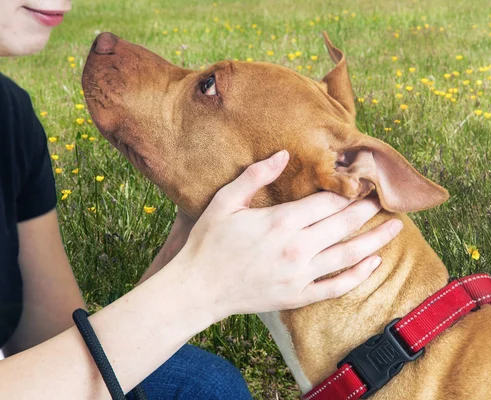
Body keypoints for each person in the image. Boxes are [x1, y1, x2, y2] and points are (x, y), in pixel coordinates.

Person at [0, 1, 404, 398]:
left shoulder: (13, 120)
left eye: (207, 85)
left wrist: (184, 250)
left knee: (209, 386)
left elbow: (56, 342)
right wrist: (198, 292)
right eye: (206, 85)